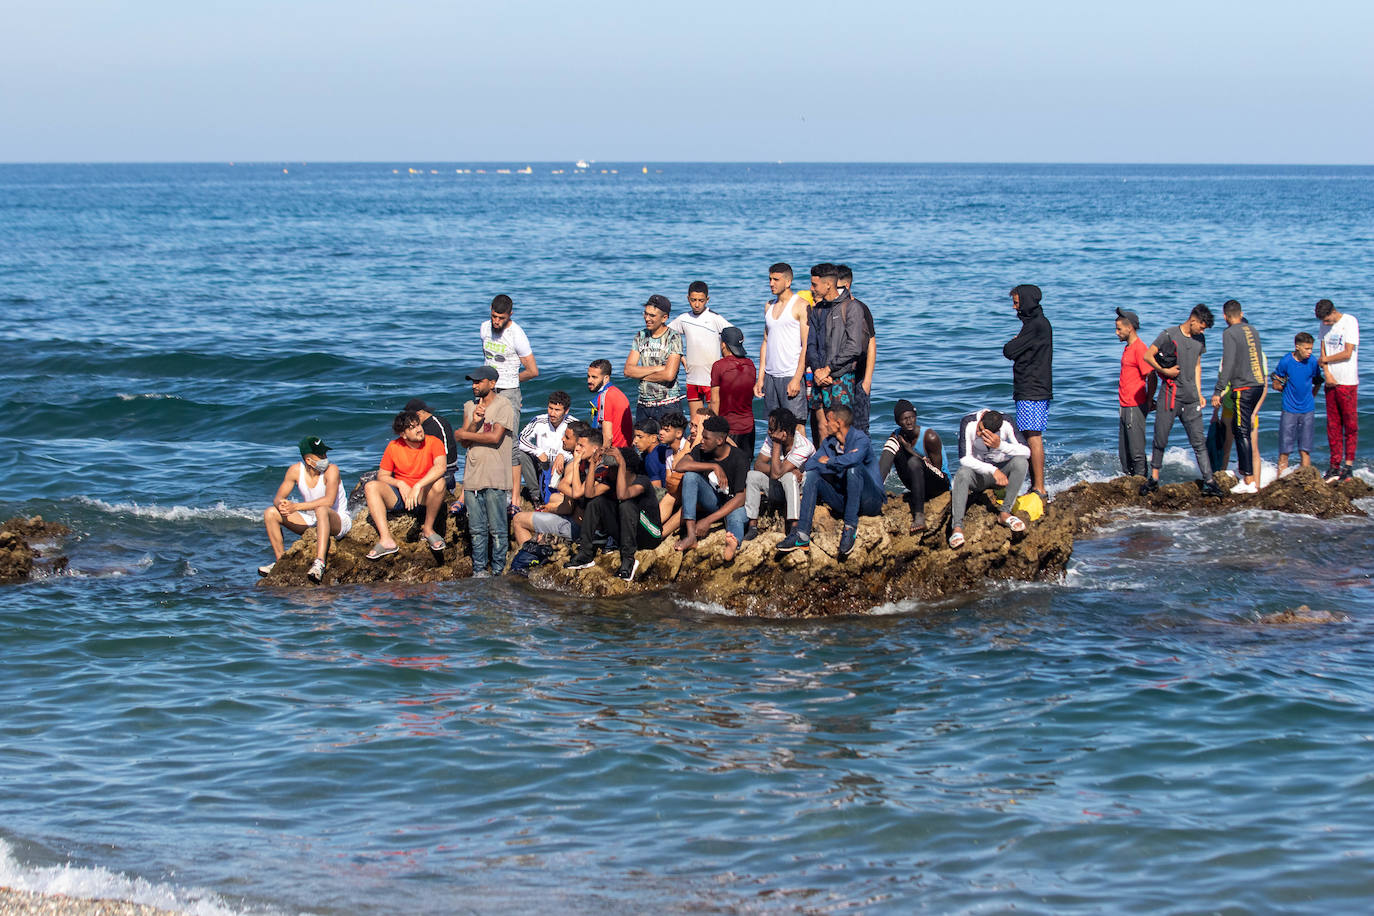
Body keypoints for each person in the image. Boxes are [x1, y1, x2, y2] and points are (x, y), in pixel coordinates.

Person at [774, 405, 884, 560]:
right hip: (844, 500)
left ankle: (850, 528)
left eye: (828, 420)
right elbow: (811, 464)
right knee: (812, 475)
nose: (825, 424)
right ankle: (802, 535)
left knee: (853, 469)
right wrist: (833, 462)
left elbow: (853, 460)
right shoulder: (829, 442)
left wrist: (830, 461)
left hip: (870, 501)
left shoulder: (861, 439)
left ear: (838, 423)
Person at [564, 418, 665, 580]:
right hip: (629, 534)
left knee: (626, 505)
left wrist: (621, 463)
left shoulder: (641, 481)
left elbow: (623, 495)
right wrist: (592, 465)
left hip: (650, 535)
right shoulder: (611, 480)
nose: (608, 472)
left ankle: (628, 560)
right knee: (597, 502)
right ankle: (585, 554)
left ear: (624, 470)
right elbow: (589, 494)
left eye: (613, 469)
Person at [1140, 304, 1223, 498]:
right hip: (1169, 396)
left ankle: (1209, 481)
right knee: (1161, 438)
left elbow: (1197, 366)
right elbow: (1147, 356)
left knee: (1199, 442)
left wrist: (1200, 393)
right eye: (1201, 327)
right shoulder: (1168, 335)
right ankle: (1153, 479)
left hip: (1191, 398)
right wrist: (1165, 371)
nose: (1202, 331)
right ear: (1192, 320)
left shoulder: (1200, 339)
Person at [261, 436, 352, 582]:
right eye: (321, 455)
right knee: (270, 512)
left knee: (322, 509)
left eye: (325, 454)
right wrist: (282, 505)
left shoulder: (332, 470)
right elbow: (278, 497)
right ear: (309, 460)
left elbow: (328, 501)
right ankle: (280, 562)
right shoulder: (295, 470)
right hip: (313, 519)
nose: (325, 458)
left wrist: (295, 506)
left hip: (338, 520)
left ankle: (319, 563)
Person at [455, 366, 516, 577]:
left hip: (496, 476)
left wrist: (464, 434)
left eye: (479, 382)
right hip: (473, 476)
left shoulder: (503, 405)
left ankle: (498, 572)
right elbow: (463, 442)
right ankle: (479, 571)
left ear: (492, 383)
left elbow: (494, 438)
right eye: (473, 382)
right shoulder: (469, 406)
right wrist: (474, 422)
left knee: (498, 529)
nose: (474, 385)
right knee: (476, 530)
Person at [363, 410, 449, 560]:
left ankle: (428, 530)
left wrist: (418, 486)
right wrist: (400, 483)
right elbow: (382, 475)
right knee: (370, 486)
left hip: (423, 496)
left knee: (440, 482)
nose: (418, 429)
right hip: (401, 497)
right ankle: (386, 540)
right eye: (412, 427)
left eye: (418, 425)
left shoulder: (434, 442)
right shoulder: (393, 446)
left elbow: (441, 467)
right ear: (403, 434)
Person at [805, 263, 870, 444]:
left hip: (842, 378)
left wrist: (828, 369)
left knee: (841, 429)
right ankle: (826, 467)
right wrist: (818, 371)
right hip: (820, 377)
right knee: (822, 427)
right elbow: (811, 345)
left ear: (828, 285)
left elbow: (854, 347)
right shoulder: (817, 310)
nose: (811, 288)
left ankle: (847, 467)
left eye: (814, 284)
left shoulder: (852, 307)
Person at [480, 294, 538, 497]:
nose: (497, 321)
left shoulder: (517, 334)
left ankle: (513, 497)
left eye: (501, 318)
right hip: (487, 392)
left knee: (510, 442)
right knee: (485, 437)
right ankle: (488, 484)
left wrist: (510, 381)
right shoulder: (484, 328)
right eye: (494, 316)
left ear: (510, 315)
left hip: (509, 392)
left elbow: (532, 370)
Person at [946, 409, 1030, 549]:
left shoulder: (1006, 422)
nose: (979, 434)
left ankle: (1004, 513)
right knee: (962, 473)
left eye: (984, 433)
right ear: (981, 418)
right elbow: (964, 459)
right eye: (980, 428)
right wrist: (993, 470)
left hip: (1003, 476)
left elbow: (1027, 452)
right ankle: (957, 528)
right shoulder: (969, 422)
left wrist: (1001, 446)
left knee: (1021, 462)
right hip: (980, 476)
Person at [672, 415, 751, 560]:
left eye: (706, 438)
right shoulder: (701, 450)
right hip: (714, 501)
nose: (701, 440)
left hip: (734, 505)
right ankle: (691, 536)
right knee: (690, 476)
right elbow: (680, 466)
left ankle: (733, 544)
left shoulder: (740, 458)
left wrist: (708, 520)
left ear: (719, 440)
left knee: (736, 518)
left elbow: (741, 498)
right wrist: (714, 466)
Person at [1211, 300, 1267, 494]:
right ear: (1241, 314)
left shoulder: (1229, 333)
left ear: (1225, 316)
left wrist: (1218, 390)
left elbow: (1228, 363)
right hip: (1258, 385)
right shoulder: (1253, 330)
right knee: (1242, 429)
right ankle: (1249, 478)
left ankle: (1248, 480)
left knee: (1241, 431)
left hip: (1243, 388)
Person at [1004, 284, 1053, 499]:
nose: (1015, 308)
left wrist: (1015, 345)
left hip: (1032, 389)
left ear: (1026, 302)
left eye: (1017, 303)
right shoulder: (1035, 324)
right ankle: (1035, 485)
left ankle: (1039, 488)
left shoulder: (1036, 325)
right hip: (1033, 388)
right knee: (1029, 434)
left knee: (1033, 436)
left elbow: (1009, 350)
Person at [512, 421, 593, 548]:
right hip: (587, 520)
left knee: (518, 519)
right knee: (554, 498)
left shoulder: (573, 466)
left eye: (567, 437)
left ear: (578, 443)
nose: (562, 439)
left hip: (575, 528)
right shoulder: (589, 463)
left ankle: (532, 554)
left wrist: (549, 509)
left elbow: (568, 508)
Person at [743, 407, 815, 540]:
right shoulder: (772, 437)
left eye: (771, 429)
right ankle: (752, 526)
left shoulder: (803, 446)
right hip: (779, 487)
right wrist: (781, 468)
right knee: (752, 475)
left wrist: (776, 444)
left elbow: (776, 474)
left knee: (789, 476)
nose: (768, 432)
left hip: (799, 490)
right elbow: (758, 464)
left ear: (785, 433)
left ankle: (794, 527)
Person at [878, 400, 949, 534]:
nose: (909, 422)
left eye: (912, 417)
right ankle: (875, 491)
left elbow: (937, 470)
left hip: (939, 484)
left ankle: (919, 515)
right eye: (904, 419)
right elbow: (885, 463)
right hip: (916, 482)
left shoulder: (929, 437)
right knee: (892, 445)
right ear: (898, 421)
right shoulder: (897, 436)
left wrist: (910, 450)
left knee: (913, 462)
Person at [669, 281, 734, 417]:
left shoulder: (715, 318)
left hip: (712, 380)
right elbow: (667, 336)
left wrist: (725, 360)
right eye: (693, 300)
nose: (697, 304)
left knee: (713, 422)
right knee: (695, 422)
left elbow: (735, 336)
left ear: (707, 300)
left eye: (701, 300)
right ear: (688, 299)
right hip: (692, 378)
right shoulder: (683, 319)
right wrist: (681, 357)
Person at [755, 262, 809, 419]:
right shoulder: (769, 306)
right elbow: (765, 342)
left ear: (788, 282)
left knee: (796, 426)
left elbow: (806, 345)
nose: (771, 283)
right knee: (774, 426)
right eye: (770, 279)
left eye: (776, 279)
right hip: (771, 376)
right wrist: (760, 378)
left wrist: (797, 379)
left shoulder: (801, 305)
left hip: (790, 374)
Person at [1315, 298, 1359, 481]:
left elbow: (1347, 352)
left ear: (1333, 312)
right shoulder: (1324, 326)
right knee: (1332, 425)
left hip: (1347, 381)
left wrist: (1325, 361)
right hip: (1331, 381)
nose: (1325, 324)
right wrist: (1327, 373)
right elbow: (1323, 351)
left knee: (1350, 425)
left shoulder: (1349, 321)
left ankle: (1348, 465)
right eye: (1323, 321)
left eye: (1327, 320)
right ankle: (1334, 465)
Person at [625, 293, 685, 425]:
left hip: (667, 404)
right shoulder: (640, 336)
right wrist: (657, 369)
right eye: (645, 314)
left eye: (652, 315)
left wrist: (640, 374)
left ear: (664, 318)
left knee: (668, 445)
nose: (647, 318)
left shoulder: (673, 337)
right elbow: (628, 371)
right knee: (643, 445)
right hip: (643, 403)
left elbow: (669, 375)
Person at [1272, 332, 1323, 477]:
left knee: (1305, 450)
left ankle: (1306, 481)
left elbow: (1318, 381)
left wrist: (1311, 397)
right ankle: (1280, 480)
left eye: (1311, 348)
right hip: (1289, 409)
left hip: (1308, 410)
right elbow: (1276, 381)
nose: (1310, 352)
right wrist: (1278, 385)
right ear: (1297, 347)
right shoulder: (1286, 361)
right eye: (1307, 349)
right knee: (1284, 450)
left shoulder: (1312, 362)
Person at [1115, 307, 1156, 478]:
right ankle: (1129, 484)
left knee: (1136, 453)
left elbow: (1152, 375)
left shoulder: (1140, 348)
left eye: (1119, 329)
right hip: (1124, 406)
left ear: (1129, 328)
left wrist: (1149, 400)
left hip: (1135, 406)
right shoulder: (1128, 348)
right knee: (1124, 455)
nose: (1116, 332)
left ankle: (1142, 486)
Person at [515, 390, 574, 508]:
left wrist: (563, 455)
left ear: (566, 411)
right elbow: (521, 439)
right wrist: (538, 452)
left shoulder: (572, 423)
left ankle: (565, 495)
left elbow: (580, 448)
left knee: (573, 461)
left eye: (557, 410)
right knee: (520, 454)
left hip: (562, 467)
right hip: (542, 464)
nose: (552, 413)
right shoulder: (539, 420)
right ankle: (536, 497)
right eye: (550, 408)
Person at [836, 265, 877, 432]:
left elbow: (872, 344)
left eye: (836, 286)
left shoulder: (861, 308)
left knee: (860, 426)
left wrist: (867, 380)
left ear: (846, 286)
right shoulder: (832, 308)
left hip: (859, 376)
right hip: (839, 375)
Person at [710, 326, 758, 456]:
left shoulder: (719, 366)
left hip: (728, 428)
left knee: (725, 467)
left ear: (724, 345)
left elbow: (714, 401)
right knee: (745, 466)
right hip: (749, 427)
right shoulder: (751, 365)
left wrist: (712, 427)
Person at [403, 398, 459, 492]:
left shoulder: (436, 426)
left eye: (410, 418)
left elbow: (446, 456)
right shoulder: (425, 426)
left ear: (418, 414)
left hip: (445, 472)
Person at [587, 358, 634, 448]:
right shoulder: (617, 392)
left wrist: (600, 456)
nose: (589, 381)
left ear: (606, 378)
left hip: (613, 451)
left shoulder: (605, 396)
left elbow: (608, 437)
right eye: (588, 376)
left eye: (594, 377)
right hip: (625, 449)